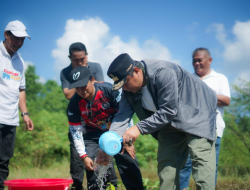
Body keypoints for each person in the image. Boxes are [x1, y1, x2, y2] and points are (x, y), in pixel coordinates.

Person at [107, 53, 218, 190]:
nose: (124, 88)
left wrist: (138, 128)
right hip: (168, 122)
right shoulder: (128, 90)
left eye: (125, 82)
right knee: (167, 165)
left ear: (137, 71)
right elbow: (121, 116)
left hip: (198, 111)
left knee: (200, 160)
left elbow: (169, 110)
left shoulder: (162, 72)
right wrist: (107, 144)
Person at [67, 66, 144, 190]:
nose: (81, 90)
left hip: (117, 132)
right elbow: (75, 131)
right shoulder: (75, 102)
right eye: (77, 87)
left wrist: (127, 141)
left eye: (83, 85)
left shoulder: (109, 90)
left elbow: (126, 115)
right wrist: (84, 156)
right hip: (93, 136)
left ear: (92, 79)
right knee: (93, 164)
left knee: (127, 160)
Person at [179, 48, 231, 189]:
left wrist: (202, 94)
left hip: (214, 130)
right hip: (189, 129)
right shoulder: (186, 79)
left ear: (209, 60)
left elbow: (226, 100)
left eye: (199, 60)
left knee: (209, 167)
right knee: (184, 165)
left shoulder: (220, 78)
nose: (196, 63)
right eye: (194, 61)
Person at [60, 42, 104, 190]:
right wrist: (81, 79)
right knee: (77, 158)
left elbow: (99, 86)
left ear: (86, 55)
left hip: (96, 121)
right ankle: (77, 187)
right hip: (78, 119)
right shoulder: (65, 72)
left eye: (82, 58)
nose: (79, 62)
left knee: (98, 156)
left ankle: (101, 185)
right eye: (75, 60)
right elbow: (67, 94)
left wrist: (81, 77)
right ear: (69, 58)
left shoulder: (95, 67)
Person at [0, 20, 34, 190]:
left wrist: (25, 114)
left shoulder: (19, 62)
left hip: (11, 119)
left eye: (22, 40)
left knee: (4, 161)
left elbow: (21, 89)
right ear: (6, 34)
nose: (19, 43)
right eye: (17, 38)